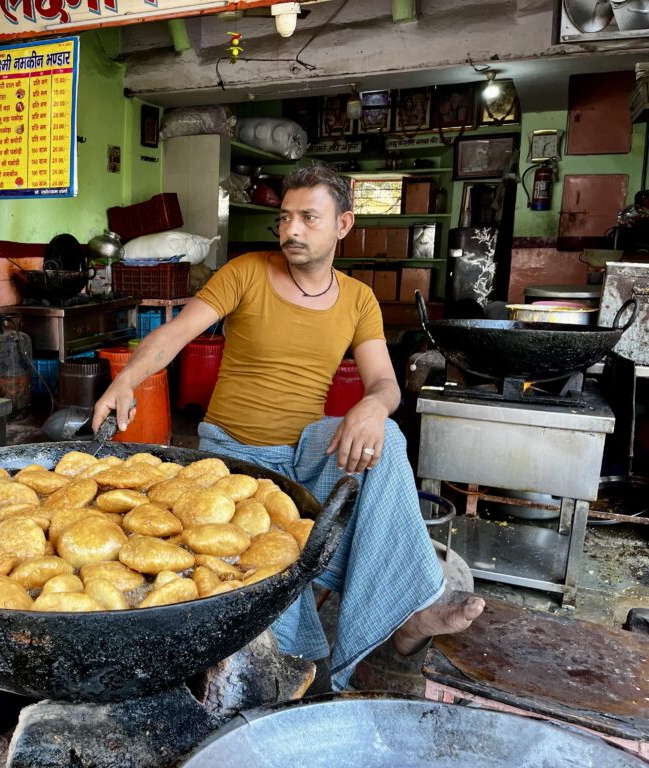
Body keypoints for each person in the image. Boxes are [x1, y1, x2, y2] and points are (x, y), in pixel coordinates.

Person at [93, 163, 484, 690]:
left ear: (343, 225)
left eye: (308, 217)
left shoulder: (357, 299)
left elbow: (385, 386)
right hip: (233, 457)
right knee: (283, 555)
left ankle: (407, 611)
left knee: (386, 436)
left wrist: (373, 406)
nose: (292, 230)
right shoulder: (245, 271)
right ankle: (385, 621)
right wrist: (126, 382)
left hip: (305, 455)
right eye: (284, 218)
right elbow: (175, 333)